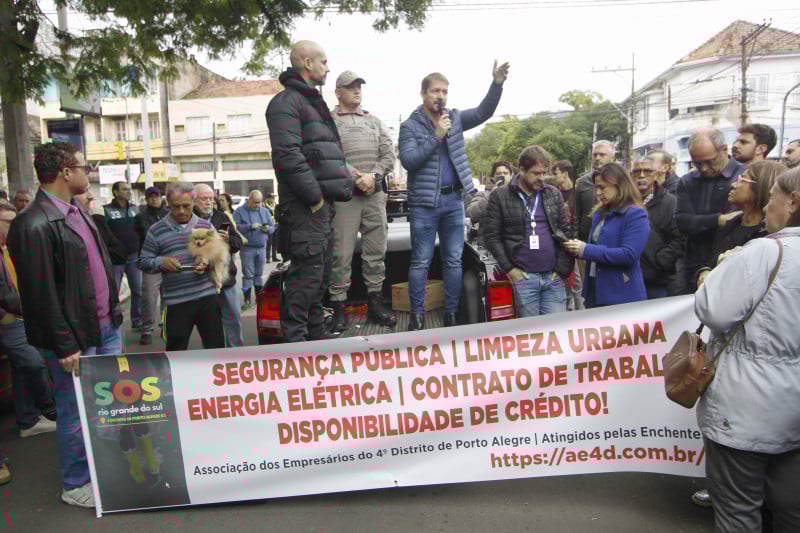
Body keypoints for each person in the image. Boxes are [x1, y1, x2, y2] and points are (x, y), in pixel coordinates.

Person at [8, 142, 123, 508]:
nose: (88, 173)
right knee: (74, 412)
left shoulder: (77, 211)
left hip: (104, 329)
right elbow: (39, 294)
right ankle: (76, 483)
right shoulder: (33, 224)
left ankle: (99, 469)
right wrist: (65, 345)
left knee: (105, 407)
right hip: (75, 339)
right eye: (83, 167)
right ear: (64, 171)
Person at [693, 165, 800, 532]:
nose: (769, 206)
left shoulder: (766, 252)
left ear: (793, 201)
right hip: (793, 413)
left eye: (772, 197)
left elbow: (713, 310)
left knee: (738, 510)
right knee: (790, 510)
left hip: (745, 409)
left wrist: (718, 274)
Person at [399, 60, 510, 330]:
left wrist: (496, 84)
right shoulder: (410, 126)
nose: (441, 96)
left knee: (453, 260)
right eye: (435, 91)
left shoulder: (456, 118)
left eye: (445, 91)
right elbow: (409, 161)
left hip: (453, 201)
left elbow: (484, 112)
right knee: (421, 260)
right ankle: (417, 315)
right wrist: (436, 136)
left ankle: (451, 314)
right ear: (423, 94)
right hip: (424, 204)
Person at [266, 40, 354, 342]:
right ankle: (298, 353)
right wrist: (315, 197)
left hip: (319, 208)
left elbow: (321, 155)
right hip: (306, 208)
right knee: (305, 284)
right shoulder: (287, 103)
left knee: (318, 282)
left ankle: (317, 344)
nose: (328, 67)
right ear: (307, 62)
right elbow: (288, 156)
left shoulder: (308, 101)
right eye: (324, 61)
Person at [328, 70, 398, 332]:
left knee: (375, 253)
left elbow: (389, 154)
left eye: (359, 86)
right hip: (346, 195)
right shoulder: (329, 122)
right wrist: (357, 177)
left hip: (374, 195)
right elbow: (329, 156)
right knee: (340, 254)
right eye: (350, 87)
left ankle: (375, 304)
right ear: (338, 92)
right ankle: (338, 308)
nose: (357, 90)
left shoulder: (375, 121)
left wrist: (374, 175)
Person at [482, 146, 574, 317]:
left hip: (553, 278)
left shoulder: (553, 193)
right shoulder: (500, 196)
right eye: (536, 173)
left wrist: (561, 270)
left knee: (556, 335)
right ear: (522, 170)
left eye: (544, 173)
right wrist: (510, 269)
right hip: (523, 279)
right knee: (531, 336)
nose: (541, 178)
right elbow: (491, 236)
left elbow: (566, 231)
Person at [138, 182, 225, 351]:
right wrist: (161, 262)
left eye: (186, 206)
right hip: (176, 302)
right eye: (176, 206)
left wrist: (207, 260)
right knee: (176, 352)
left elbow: (220, 255)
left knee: (216, 349)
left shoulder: (206, 226)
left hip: (207, 298)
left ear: (193, 202)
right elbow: (143, 261)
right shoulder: (156, 230)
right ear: (168, 203)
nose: (181, 211)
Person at [0, 203, 58, 438]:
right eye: (7, 222)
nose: (14, 227)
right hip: (9, 320)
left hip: (21, 316)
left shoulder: (8, 248)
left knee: (22, 368)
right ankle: (49, 408)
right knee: (33, 363)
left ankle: (29, 421)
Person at [564, 163, 649, 308]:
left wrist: (585, 250)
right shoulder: (599, 214)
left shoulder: (635, 214)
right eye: (596, 187)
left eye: (603, 187)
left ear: (620, 185)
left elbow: (629, 255)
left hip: (622, 296)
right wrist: (575, 249)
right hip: (594, 292)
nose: (598, 193)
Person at [675, 127, 745, 293]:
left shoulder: (745, 176)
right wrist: (718, 220)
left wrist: (701, 222)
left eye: (710, 161)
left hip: (733, 266)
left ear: (724, 149)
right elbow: (682, 221)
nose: (704, 168)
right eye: (697, 163)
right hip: (695, 265)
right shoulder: (687, 181)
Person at [695, 160, 786, 289]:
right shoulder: (731, 224)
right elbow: (712, 261)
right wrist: (704, 271)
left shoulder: (770, 237)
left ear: (760, 186)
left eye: (742, 178)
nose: (733, 184)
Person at [193, 184, 244, 347]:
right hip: (203, 281)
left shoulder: (222, 217)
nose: (208, 202)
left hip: (226, 278)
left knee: (233, 318)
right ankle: (215, 357)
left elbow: (238, 244)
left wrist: (228, 239)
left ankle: (236, 355)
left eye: (210, 199)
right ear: (194, 200)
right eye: (203, 199)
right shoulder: (190, 220)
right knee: (209, 324)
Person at [631, 157, 684, 300]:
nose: (641, 175)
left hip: (656, 283)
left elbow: (680, 238)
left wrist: (660, 261)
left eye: (647, 171)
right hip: (627, 280)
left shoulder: (670, 202)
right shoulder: (623, 202)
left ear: (655, 174)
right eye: (637, 171)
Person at [104, 181, 143, 330]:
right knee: (113, 293)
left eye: (129, 189)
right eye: (125, 189)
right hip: (115, 260)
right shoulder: (106, 211)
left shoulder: (135, 209)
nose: (129, 192)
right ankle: (114, 321)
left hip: (134, 257)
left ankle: (137, 321)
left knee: (138, 290)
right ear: (115, 192)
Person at [134, 187, 168, 345]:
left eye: (157, 196)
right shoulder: (141, 216)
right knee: (149, 297)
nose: (154, 199)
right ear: (146, 199)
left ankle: (166, 324)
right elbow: (148, 233)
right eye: (151, 197)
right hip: (150, 261)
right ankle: (146, 329)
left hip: (169, 259)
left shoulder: (169, 213)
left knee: (168, 297)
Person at [551, 159, 584, 310]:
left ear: (565, 174)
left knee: (577, 282)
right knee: (563, 282)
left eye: (555, 173)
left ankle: (581, 314)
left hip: (575, 244)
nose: (553, 176)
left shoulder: (579, 192)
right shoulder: (553, 193)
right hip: (559, 244)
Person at [233, 190, 274, 310]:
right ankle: (246, 300)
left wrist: (268, 229)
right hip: (247, 248)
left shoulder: (265, 211)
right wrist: (249, 227)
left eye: (259, 202)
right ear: (249, 199)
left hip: (261, 247)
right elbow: (234, 227)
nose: (258, 205)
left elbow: (273, 227)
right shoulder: (240, 211)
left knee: (259, 275)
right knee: (247, 276)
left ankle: (259, 298)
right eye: (255, 202)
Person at [575, 140, 616, 243]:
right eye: (595, 155)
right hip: (586, 241)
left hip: (612, 241)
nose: (597, 158)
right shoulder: (582, 182)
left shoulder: (622, 181)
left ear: (613, 157)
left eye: (602, 154)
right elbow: (577, 215)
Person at [466, 160, 513, 229]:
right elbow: (470, 214)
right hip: (488, 237)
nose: (502, 175)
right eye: (498, 173)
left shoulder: (518, 194)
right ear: (493, 176)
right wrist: (491, 196)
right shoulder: (483, 194)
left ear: (511, 176)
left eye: (505, 173)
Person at [263, 193, 279, 262]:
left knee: (275, 242)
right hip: (269, 226)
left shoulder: (275, 204)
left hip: (276, 225)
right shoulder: (264, 206)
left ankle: (274, 257)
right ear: (268, 199)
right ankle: (267, 258)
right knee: (269, 242)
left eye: (274, 198)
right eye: (272, 198)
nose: (273, 199)